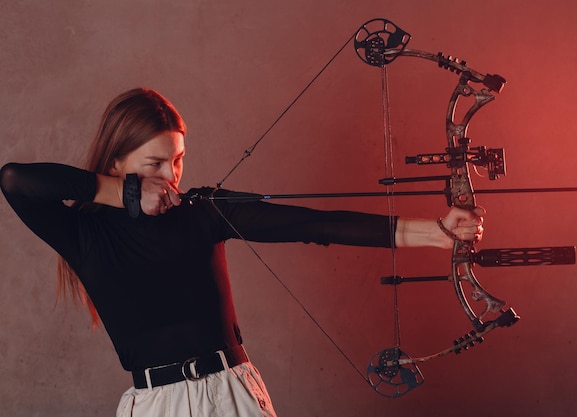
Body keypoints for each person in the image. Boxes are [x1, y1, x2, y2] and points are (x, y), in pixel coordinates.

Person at [0, 88, 484, 417]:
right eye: (154, 163)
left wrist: (435, 232)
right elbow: (15, 179)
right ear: (118, 163)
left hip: (232, 390)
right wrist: (123, 194)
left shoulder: (203, 210)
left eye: (178, 160)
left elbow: (312, 224)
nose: (171, 176)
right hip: (155, 404)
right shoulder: (85, 233)